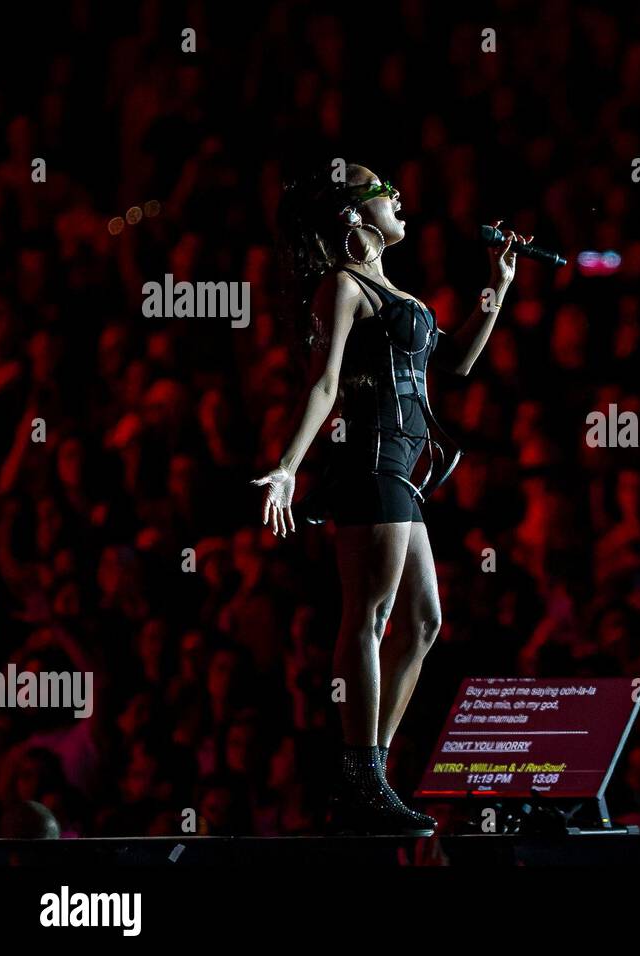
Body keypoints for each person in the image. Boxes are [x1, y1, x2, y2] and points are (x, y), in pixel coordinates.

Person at [253, 162, 530, 834]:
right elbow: (323, 386)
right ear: (353, 217)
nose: (399, 196)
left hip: (403, 474)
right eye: (383, 191)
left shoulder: (387, 286)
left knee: (425, 622)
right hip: (369, 464)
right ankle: (361, 775)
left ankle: (367, 768)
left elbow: (454, 364)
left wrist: (496, 288)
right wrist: (288, 466)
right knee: (371, 614)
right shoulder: (341, 287)